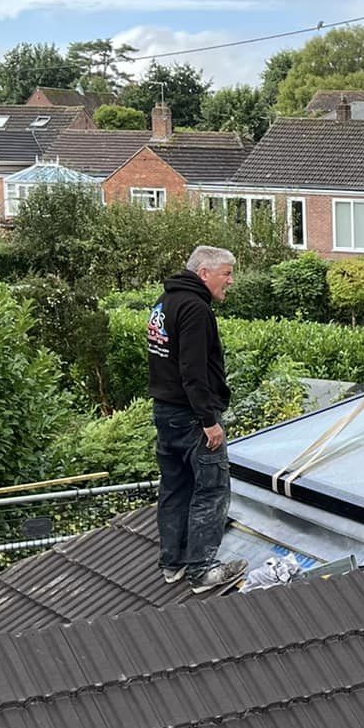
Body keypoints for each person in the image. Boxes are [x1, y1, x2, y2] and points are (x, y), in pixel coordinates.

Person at [148, 245, 241, 591]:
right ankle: (202, 571)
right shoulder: (195, 309)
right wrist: (208, 421)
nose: (230, 281)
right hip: (191, 417)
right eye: (226, 273)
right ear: (204, 273)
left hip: (165, 413)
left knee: (175, 487)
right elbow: (192, 371)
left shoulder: (165, 301)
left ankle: (172, 563)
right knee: (211, 490)